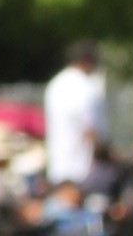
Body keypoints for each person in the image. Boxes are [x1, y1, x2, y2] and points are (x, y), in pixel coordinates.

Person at [43, 39, 109, 190]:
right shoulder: (85, 86)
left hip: (58, 168)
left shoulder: (55, 84)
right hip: (82, 171)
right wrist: (109, 156)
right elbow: (90, 131)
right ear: (87, 61)